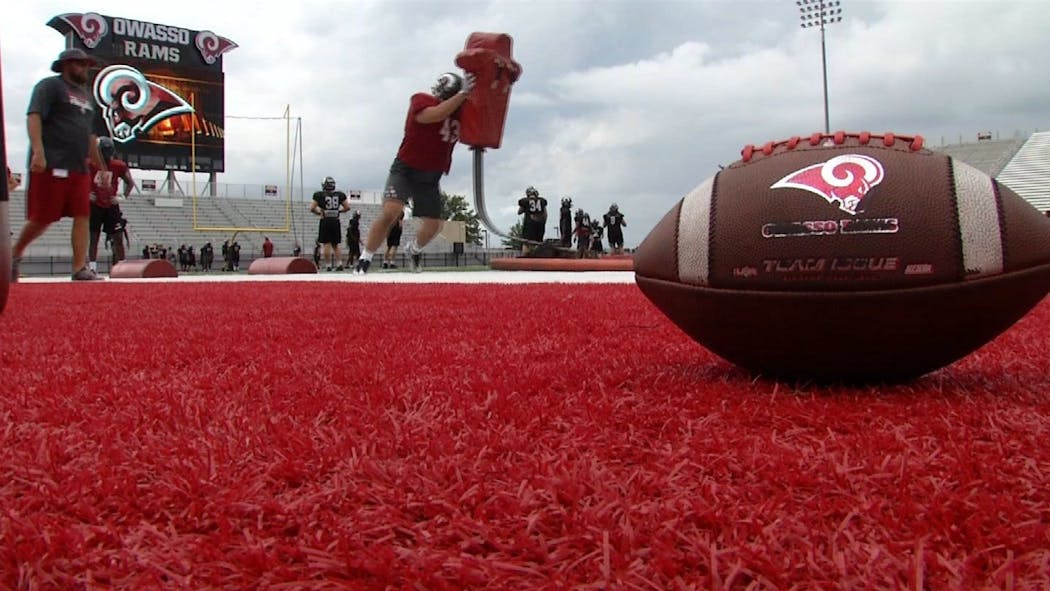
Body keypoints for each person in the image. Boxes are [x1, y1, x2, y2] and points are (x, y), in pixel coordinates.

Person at [355, 70, 476, 274]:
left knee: (435, 225)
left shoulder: (462, 112)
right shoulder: (422, 100)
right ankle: (365, 257)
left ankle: (414, 250)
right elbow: (432, 115)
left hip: (431, 174)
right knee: (391, 213)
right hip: (407, 168)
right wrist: (463, 95)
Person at [11, 48, 110, 282]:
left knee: (83, 214)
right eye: (80, 64)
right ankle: (14, 255)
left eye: (87, 65)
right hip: (52, 162)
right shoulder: (49, 87)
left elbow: (90, 136)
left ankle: (79, 268)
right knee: (43, 217)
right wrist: (38, 151)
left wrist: (102, 167)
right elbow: (33, 116)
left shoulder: (87, 97)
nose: (85, 69)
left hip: (78, 166)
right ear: (66, 65)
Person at [87, 136, 135, 274]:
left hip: (111, 205)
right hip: (95, 205)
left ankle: (122, 267)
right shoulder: (89, 164)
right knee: (94, 238)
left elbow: (130, 182)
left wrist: (121, 197)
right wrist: (86, 194)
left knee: (118, 237)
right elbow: (78, 180)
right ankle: (92, 268)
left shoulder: (118, 166)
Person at [311, 176, 349, 270]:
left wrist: (320, 213)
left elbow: (312, 208)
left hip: (325, 220)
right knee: (335, 245)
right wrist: (338, 211)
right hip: (335, 220)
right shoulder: (339, 195)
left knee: (326, 244)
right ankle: (339, 264)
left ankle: (328, 266)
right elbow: (347, 207)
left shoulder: (319, 195)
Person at [517, 186, 548, 254]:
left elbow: (519, 212)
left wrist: (526, 208)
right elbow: (545, 214)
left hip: (529, 225)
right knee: (538, 244)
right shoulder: (542, 201)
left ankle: (526, 259)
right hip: (540, 225)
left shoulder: (525, 201)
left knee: (526, 244)